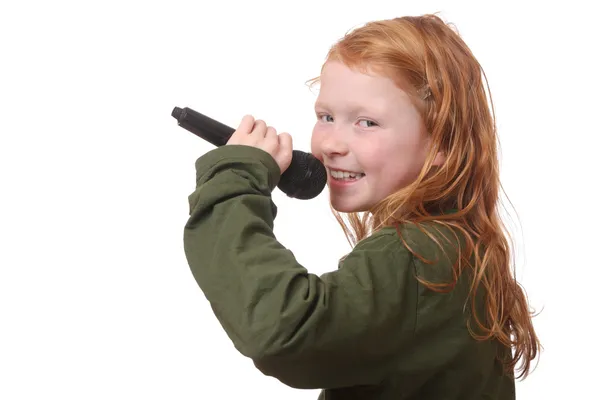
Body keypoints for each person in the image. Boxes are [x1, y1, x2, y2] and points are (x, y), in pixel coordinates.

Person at [183, 13, 541, 399]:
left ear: (442, 144)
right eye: (327, 117)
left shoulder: (420, 256)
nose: (332, 144)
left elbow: (287, 332)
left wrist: (234, 179)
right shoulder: (451, 246)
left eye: (366, 123)